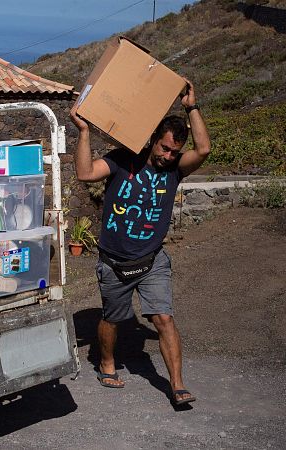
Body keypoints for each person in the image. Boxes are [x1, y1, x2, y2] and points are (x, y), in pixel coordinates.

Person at [69, 78, 211, 406]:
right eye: (164, 148)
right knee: (113, 318)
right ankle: (105, 362)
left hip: (151, 260)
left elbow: (203, 149)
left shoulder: (175, 170)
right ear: (151, 141)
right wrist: (85, 132)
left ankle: (176, 384)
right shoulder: (122, 159)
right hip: (114, 261)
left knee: (163, 318)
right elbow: (85, 173)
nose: (168, 155)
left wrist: (191, 106)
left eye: (174, 151)